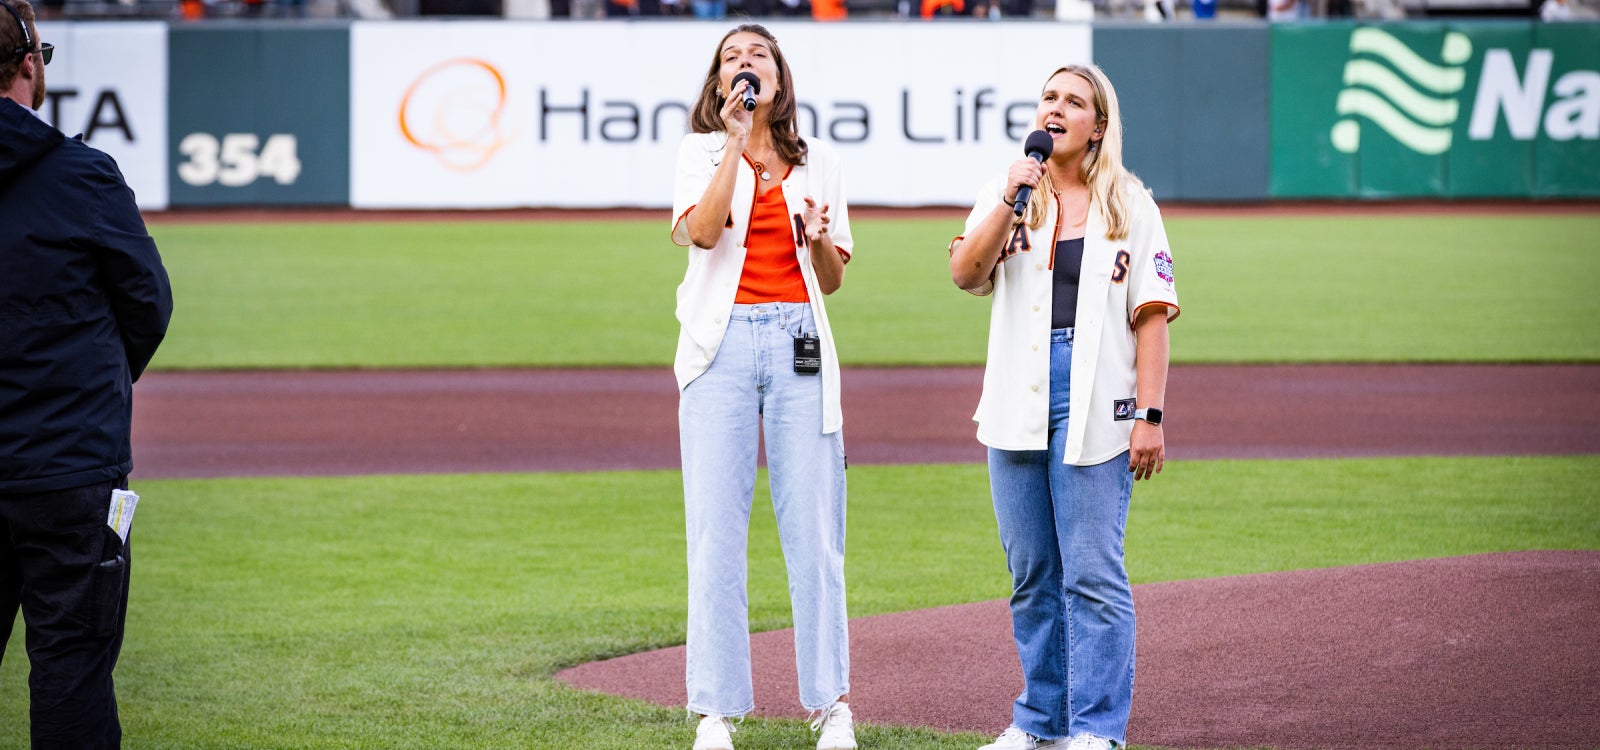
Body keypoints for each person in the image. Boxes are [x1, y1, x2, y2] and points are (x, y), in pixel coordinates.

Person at [947, 64, 1178, 750]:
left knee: (1092, 573)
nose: (1055, 108)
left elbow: (1152, 315)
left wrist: (1150, 415)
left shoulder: (1131, 203)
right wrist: (1009, 198)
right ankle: (1040, 722)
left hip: (1098, 394)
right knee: (1032, 575)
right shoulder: (1008, 189)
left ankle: (1097, 730)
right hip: (1016, 390)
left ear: (1098, 126)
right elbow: (965, 274)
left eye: (1073, 102)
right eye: (1048, 97)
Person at [669, 23, 856, 750]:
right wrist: (734, 143)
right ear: (720, 84)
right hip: (718, 344)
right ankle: (716, 711)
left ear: (779, 76)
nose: (745, 65)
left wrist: (816, 236)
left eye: (758, 56)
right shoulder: (699, 151)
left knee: (814, 529)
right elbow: (704, 233)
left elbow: (832, 279)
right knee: (716, 530)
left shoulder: (820, 160)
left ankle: (830, 704)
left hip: (799, 336)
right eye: (732, 58)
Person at [0, 1, 174, 747]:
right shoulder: (82, 176)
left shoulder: (82, 173)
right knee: (72, 669)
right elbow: (148, 306)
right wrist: (88, 390)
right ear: (29, 64)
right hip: (69, 469)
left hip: (64, 463)